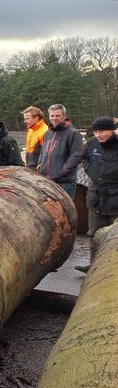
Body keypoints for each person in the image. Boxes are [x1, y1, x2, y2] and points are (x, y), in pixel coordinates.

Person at [75, 116, 118, 273]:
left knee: (114, 235)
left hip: (115, 197)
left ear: (112, 130)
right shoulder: (93, 143)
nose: (99, 135)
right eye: (96, 131)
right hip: (96, 196)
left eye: (103, 131)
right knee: (94, 233)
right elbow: (85, 158)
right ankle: (93, 264)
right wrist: (91, 171)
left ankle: (112, 269)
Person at [38, 104, 83, 200]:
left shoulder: (73, 133)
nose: (54, 118)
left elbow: (77, 156)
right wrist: (40, 164)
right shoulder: (47, 133)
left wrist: (62, 171)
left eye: (58, 116)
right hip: (47, 180)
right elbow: (43, 152)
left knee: (65, 213)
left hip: (64, 182)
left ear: (64, 116)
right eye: (52, 116)